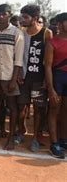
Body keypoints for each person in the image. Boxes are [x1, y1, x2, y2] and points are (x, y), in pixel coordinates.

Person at [0, 4, 24, 150]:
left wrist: (14, 79)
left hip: (9, 75)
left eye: (3, 14)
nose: (0, 16)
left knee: (12, 107)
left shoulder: (17, 33)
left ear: (9, 15)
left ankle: (10, 138)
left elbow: (19, 59)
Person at [17, 5, 52, 152]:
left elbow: (49, 59)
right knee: (21, 106)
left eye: (26, 17)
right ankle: (21, 131)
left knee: (38, 109)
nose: (22, 19)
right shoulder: (21, 33)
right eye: (22, 16)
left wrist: (46, 79)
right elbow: (18, 55)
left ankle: (36, 137)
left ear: (35, 19)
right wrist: (18, 72)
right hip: (24, 78)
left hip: (39, 79)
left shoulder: (46, 33)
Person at [44, 12, 67, 159]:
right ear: (59, 24)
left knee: (65, 111)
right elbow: (48, 67)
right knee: (54, 110)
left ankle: (64, 140)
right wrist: (51, 88)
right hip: (57, 78)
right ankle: (54, 143)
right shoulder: (52, 43)